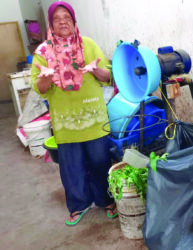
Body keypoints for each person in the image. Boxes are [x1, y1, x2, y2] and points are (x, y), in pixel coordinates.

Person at [31, 1, 117, 226]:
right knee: (72, 167)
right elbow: (38, 88)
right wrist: (45, 78)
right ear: (51, 23)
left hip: (93, 117)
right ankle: (78, 205)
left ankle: (106, 199)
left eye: (67, 18)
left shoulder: (87, 44)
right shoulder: (42, 52)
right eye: (57, 19)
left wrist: (95, 69)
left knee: (100, 161)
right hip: (65, 121)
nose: (63, 22)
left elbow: (107, 75)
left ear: (74, 21)